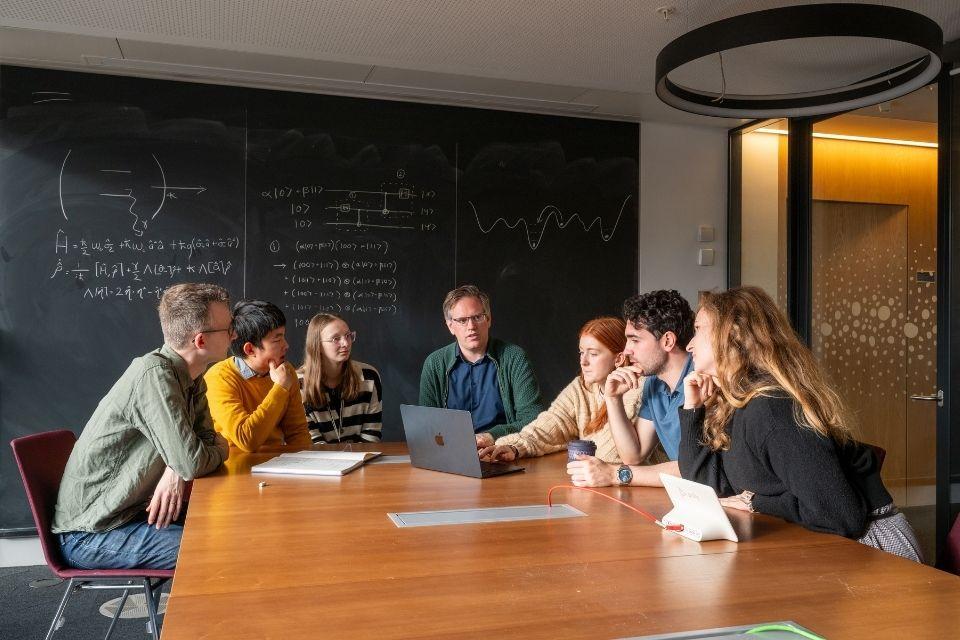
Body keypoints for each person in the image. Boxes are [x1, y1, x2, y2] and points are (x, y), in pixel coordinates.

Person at [680, 286, 922, 561]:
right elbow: (708, 488)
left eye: (698, 329)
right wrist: (693, 409)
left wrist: (756, 502)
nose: (689, 344)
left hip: (874, 549)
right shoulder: (737, 405)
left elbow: (839, 515)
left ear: (733, 333)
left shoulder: (771, 409)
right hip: (821, 541)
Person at [52, 283, 232, 569]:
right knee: (217, 552)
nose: (234, 334)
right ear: (200, 341)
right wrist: (211, 452)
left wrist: (177, 467)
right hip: (92, 533)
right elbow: (195, 460)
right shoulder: (155, 376)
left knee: (238, 528)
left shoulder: (192, 378)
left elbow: (198, 448)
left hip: (133, 514)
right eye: (229, 328)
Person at [480, 317, 666, 465]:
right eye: (581, 352)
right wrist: (513, 447)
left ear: (618, 359)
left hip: (645, 494)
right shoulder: (582, 386)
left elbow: (610, 455)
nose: (583, 361)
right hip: (600, 486)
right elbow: (549, 425)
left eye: (593, 354)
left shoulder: (639, 388)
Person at [567, 290, 693, 487]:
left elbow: (697, 468)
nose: (626, 350)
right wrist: (613, 399)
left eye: (635, 340)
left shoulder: (700, 382)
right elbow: (633, 455)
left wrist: (613, 474)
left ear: (667, 341)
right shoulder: (654, 382)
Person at [420, 284, 544, 442]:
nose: (471, 326)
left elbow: (534, 419)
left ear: (489, 319)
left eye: (477, 317)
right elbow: (427, 425)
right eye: (462, 320)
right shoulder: (434, 364)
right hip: (451, 454)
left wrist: (492, 436)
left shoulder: (514, 358)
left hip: (503, 451)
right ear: (451, 326)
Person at [205, 300, 312, 452]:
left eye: (284, 337)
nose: (286, 345)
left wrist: (310, 464)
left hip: (277, 463)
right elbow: (247, 439)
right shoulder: (219, 378)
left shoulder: (285, 372)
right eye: (277, 339)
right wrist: (280, 388)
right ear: (250, 349)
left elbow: (297, 432)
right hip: (235, 466)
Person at [298, 313, 383, 444]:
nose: (345, 343)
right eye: (335, 339)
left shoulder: (368, 376)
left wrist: (357, 461)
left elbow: (371, 434)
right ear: (317, 345)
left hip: (362, 459)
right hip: (316, 462)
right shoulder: (298, 383)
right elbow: (311, 441)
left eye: (348, 336)